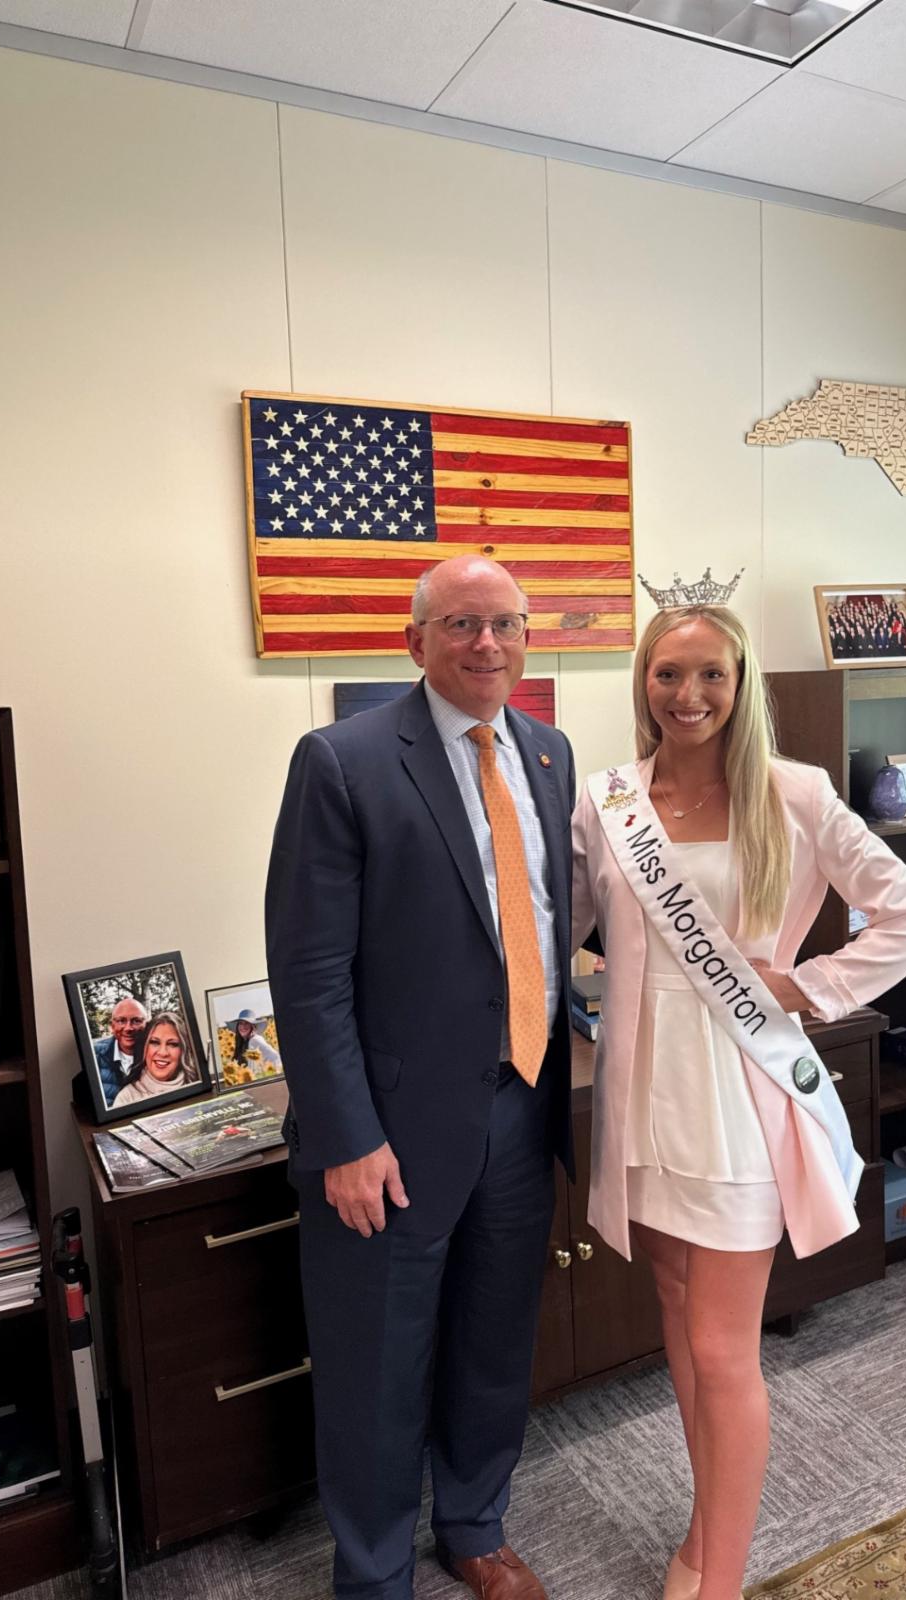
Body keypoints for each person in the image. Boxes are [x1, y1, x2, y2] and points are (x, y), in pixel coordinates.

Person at [571, 603, 906, 1600]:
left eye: (711, 675)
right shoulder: (607, 800)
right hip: (641, 1093)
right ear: (643, 683)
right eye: (667, 674)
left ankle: (721, 1579)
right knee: (675, 1309)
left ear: (741, 687)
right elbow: (560, 922)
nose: (687, 695)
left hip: (737, 1094)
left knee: (721, 1345)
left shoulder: (795, 791)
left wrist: (808, 986)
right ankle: (707, 1527)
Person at [266, 554, 577, 1600]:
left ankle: (475, 1525)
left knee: (494, 1341)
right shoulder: (343, 761)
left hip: (523, 1103)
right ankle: (374, 1572)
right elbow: (307, 971)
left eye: (506, 623)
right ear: (416, 641)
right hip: (390, 1131)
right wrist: (346, 1136)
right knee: (377, 1366)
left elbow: (543, 921)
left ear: (527, 637)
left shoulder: (549, 753)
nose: (487, 643)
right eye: (460, 624)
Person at [111, 1010, 201, 1107]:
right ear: (145, 1048)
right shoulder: (126, 1097)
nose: (162, 1053)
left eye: (172, 1044)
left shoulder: (198, 1085)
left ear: (183, 1050)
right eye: (155, 1042)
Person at [92, 995, 147, 1106]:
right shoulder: (94, 1054)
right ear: (112, 1026)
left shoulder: (156, 1056)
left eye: (136, 1021)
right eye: (121, 1021)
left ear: (146, 1024)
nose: (128, 1028)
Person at [230, 1008, 282, 1079]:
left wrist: (271, 1074)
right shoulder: (245, 1042)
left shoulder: (254, 1040)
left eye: (246, 1023)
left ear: (253, 1026)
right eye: (240, 1023)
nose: (243, 1026)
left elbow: (275, 1057)